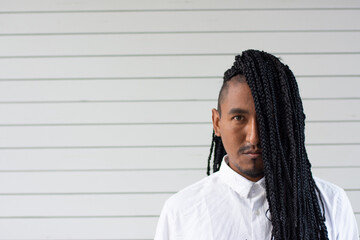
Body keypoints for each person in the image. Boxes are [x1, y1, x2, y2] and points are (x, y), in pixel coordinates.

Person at [154, 50, 359, 240]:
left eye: (267, 119)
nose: (253, 137)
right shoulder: (181, 211)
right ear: (217, 123)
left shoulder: (332, 204)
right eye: (239, 118)